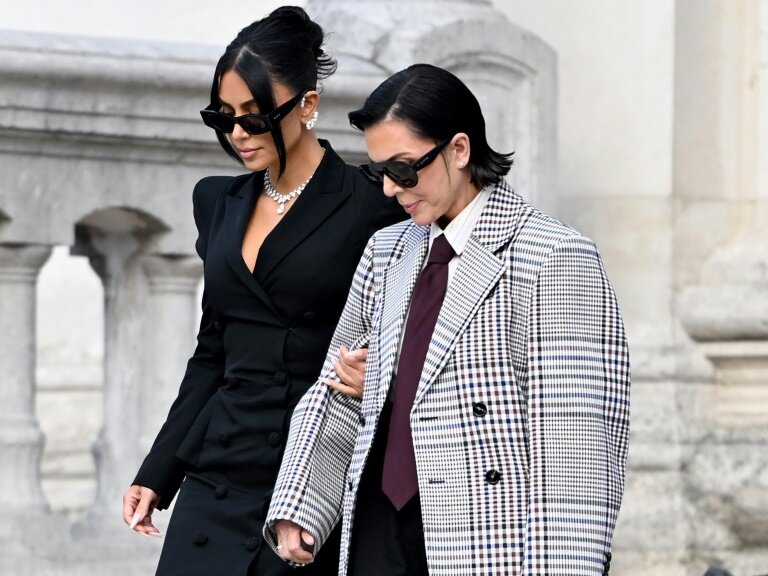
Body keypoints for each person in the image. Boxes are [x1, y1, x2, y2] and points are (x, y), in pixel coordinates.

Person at [266, 63, 631, 576]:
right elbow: (337, 385)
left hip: (486, 541)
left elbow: (575, 452)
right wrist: (299, 505)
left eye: (404, 169)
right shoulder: (386, 251)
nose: (389, 189)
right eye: (378, 172)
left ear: (459, 149)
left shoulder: (553, 256)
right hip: (376, 527)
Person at [121, 7, 404, 576]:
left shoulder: (372, 203)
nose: (238, 135)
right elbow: (213, 350)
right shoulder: (216, 201)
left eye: (254, 117)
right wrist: (158, 471)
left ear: (307, 104)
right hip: (217, 472)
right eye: (224, 118)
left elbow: (412, 328)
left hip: (312, 477)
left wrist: (382, 375)